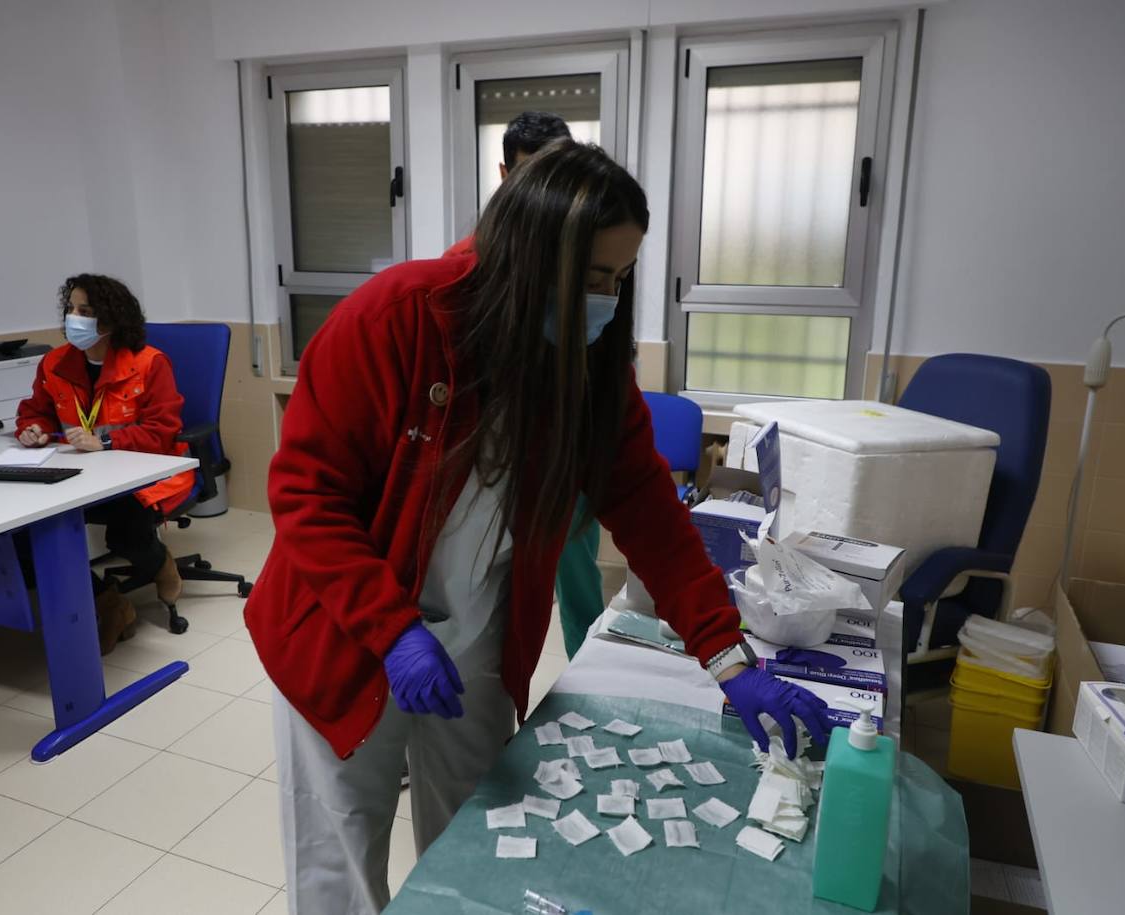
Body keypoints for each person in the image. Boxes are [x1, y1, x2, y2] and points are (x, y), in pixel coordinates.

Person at [247, 141, 832, 914]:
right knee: (341, 857)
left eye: (620, 278)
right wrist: (390, 630)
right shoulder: (396, 318)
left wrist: (729, 656)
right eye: (594, 276)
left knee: (480, 835)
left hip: (474, 639)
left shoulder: (587, 367)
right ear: (530, 256)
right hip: (342, 629)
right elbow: (304, 496)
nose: (608, 297)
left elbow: (652, 514)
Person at [444, 110, 604, 659]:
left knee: (577, 573)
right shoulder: (466, 264)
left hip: (567, 439)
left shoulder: (593, 256)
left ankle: (588, 671)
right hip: (497, 453)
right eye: (534, 173)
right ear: (505, 174)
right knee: (497, 587)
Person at [15, 274, 192, 653]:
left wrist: (107, 440)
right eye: (71, 309)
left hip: (141, 474)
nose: (73, 318)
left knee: (125, 535)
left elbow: (162, 432)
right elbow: (36, 411)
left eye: (86, 311)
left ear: (111, 320)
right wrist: (32, 429)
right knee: (29, 535)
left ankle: (161, 563)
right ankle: (111, 604)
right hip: (77, 474)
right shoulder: (54, 364)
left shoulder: (148, 364)